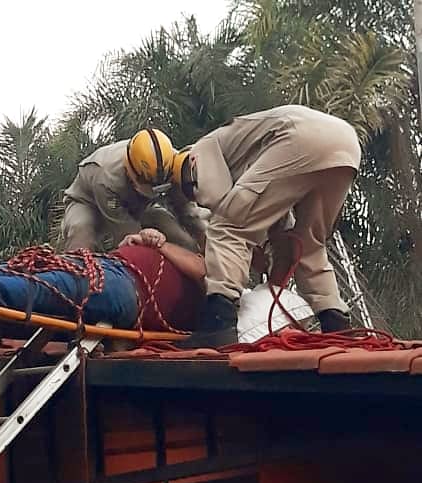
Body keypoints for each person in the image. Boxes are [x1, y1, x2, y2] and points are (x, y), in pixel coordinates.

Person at [131, 105, 361, 346]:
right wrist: (269, 262)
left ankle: (218, 324)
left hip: (300, 138)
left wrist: (245, 251)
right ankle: (336, 325)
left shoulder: (197, 154)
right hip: (344, 145)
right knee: (308, 244)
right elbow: (281, 230)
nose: (196, 197)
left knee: (228, 227)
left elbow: (228, 213)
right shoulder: (246, 159)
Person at [0, 218, 207, 333]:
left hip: (126, 291)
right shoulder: (178, 257)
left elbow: (200, 265)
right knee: (18, 269)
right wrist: (134, 243)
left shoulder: (213, 282)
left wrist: (160, 245)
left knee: (38, 287)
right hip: (110, 267)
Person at [61, 129, 208, 253]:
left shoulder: (171, 164)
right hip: (88, 202)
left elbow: (188, 212)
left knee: (182, 239)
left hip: (141, 206)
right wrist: (145, 236)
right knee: (80, 235)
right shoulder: (106, 176)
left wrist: (206, 242)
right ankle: (72, 281)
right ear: (130, 169)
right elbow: (126, 231)